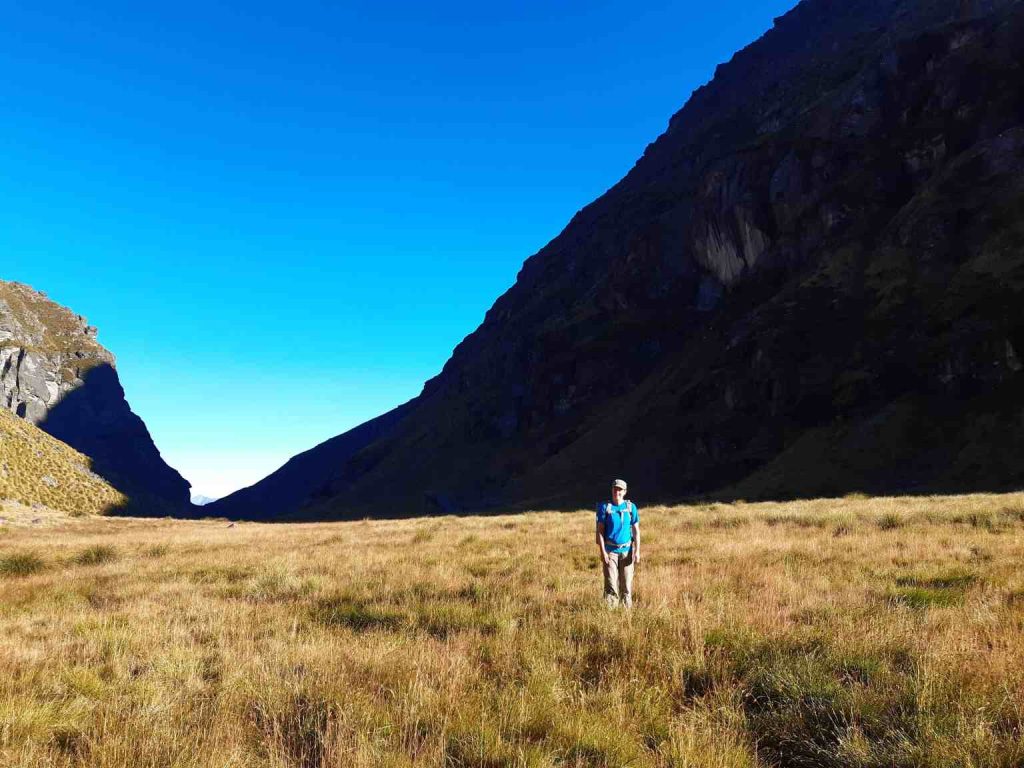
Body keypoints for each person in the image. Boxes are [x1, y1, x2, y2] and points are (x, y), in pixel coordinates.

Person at [595, 478, 640, 608]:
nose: (617, 491)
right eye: (615, 489)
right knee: (610, 587)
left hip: (627, 551)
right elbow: (600, 532)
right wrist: (603, 552)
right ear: (612, 490)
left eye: (620, 489)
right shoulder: (605, 508)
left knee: (626, 586)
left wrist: (637, 551)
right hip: (610, 552)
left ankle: (626, 617)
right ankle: (611, 617)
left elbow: (636, 531)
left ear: (625, 491)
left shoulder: (631, 507)